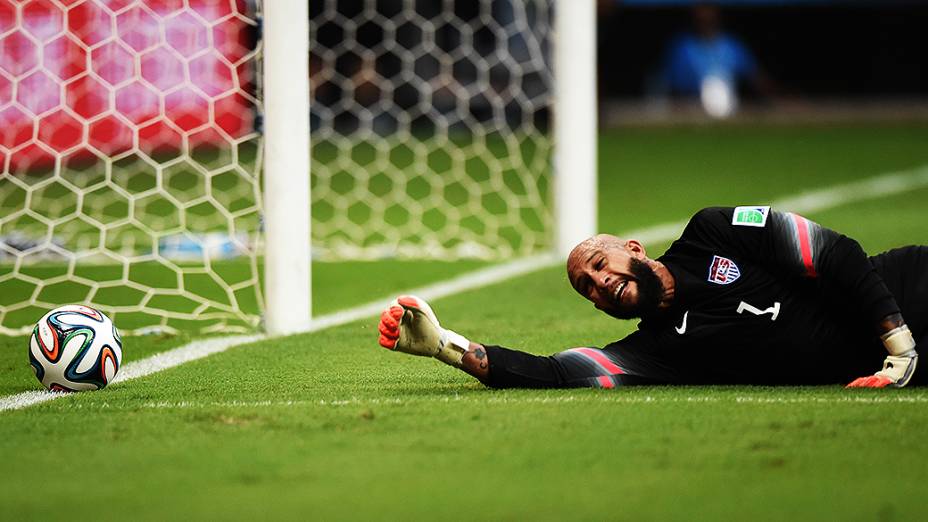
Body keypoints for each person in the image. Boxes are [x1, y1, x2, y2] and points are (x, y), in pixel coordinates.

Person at [377, 206, 926, 389]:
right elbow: (558, 372)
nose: (600, 282)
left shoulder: (714, 231)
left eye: (599, 265)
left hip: (906, 291)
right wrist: (448, 347)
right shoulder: (659, 351)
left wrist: (897, 347)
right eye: (587, 288)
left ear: (633, 248)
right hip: (885, 367)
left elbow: (833, 252)